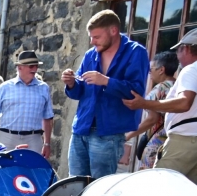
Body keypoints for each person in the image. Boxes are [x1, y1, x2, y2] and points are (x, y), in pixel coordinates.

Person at [123, 28, 197, 184]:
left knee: (160, 187)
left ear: (186, 48)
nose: (178, 57)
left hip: (184, 140)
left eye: (178, 51)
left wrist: (144, 103)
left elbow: (184, 102)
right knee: (187, 192)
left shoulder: (192, 70)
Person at [61, 10, 149, 179]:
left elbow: (136, 92)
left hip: (108, 133)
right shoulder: (90, 55)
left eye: (97, 37)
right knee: (74, 185)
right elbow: (79, 91)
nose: (92, 41)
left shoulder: (136, 52)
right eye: (91, 37)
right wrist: (71, 83)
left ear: (113, 31)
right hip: (81, 129)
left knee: (98, 188)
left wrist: (106, 81)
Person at [0, 52, 53, 157]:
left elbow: (48, 118)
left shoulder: (44, 88)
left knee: (31, 172)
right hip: (6, 138)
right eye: (31, 66)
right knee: (3, 171)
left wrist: (47, 143)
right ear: (20, 67)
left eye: (36, 66)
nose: (35, 69)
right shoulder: (4, 87)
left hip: (33, 140)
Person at [123, 51, 178, 170]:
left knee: (146, 180)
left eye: (151, 68)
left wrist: (128, 136)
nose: (149, 72)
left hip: (156, 143)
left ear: (161, 70)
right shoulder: (179, 88)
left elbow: (152, 119)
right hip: (173, 144)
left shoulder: (160, 89)